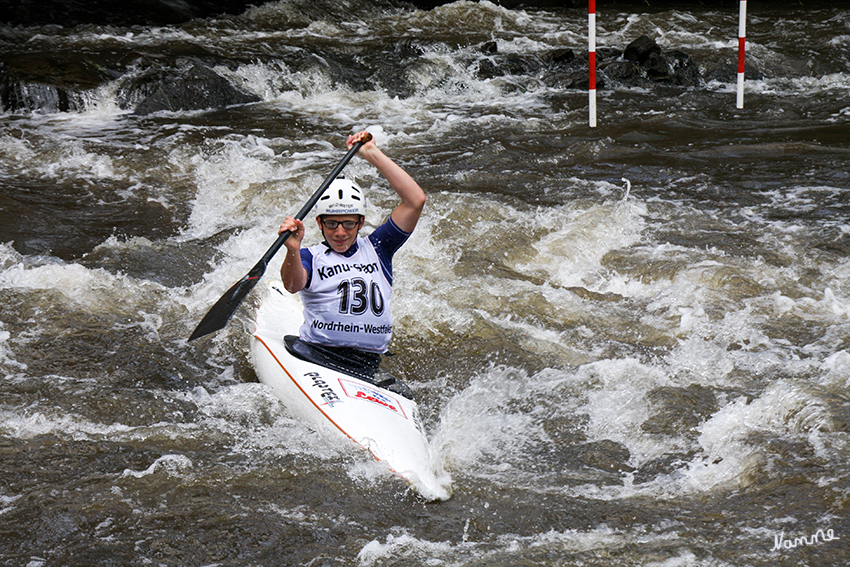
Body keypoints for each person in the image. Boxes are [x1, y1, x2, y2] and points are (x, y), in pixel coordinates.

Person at [277, 130, 425, 384]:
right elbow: (292, 285)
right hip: (318, 355)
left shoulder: (379, 247)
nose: (340, 232)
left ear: (361, 223)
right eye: (332, 224)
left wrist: (371, 153)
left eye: (348, 224)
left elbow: (415, 200)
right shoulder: (310, 256)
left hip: (366, 364)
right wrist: (291, 249)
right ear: (319, 223)